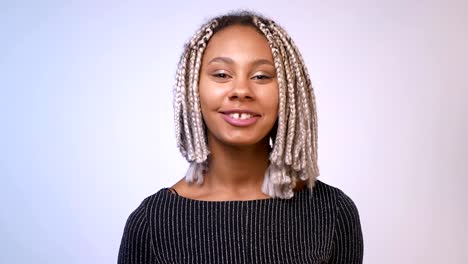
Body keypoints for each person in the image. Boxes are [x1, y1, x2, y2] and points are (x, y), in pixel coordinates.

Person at [118, 11, 363, 264]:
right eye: (222, 74)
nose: (241, 91)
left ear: (289, 93)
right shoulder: (151, 223)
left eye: (261, 76)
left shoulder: (331, 213)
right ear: (193, 88)